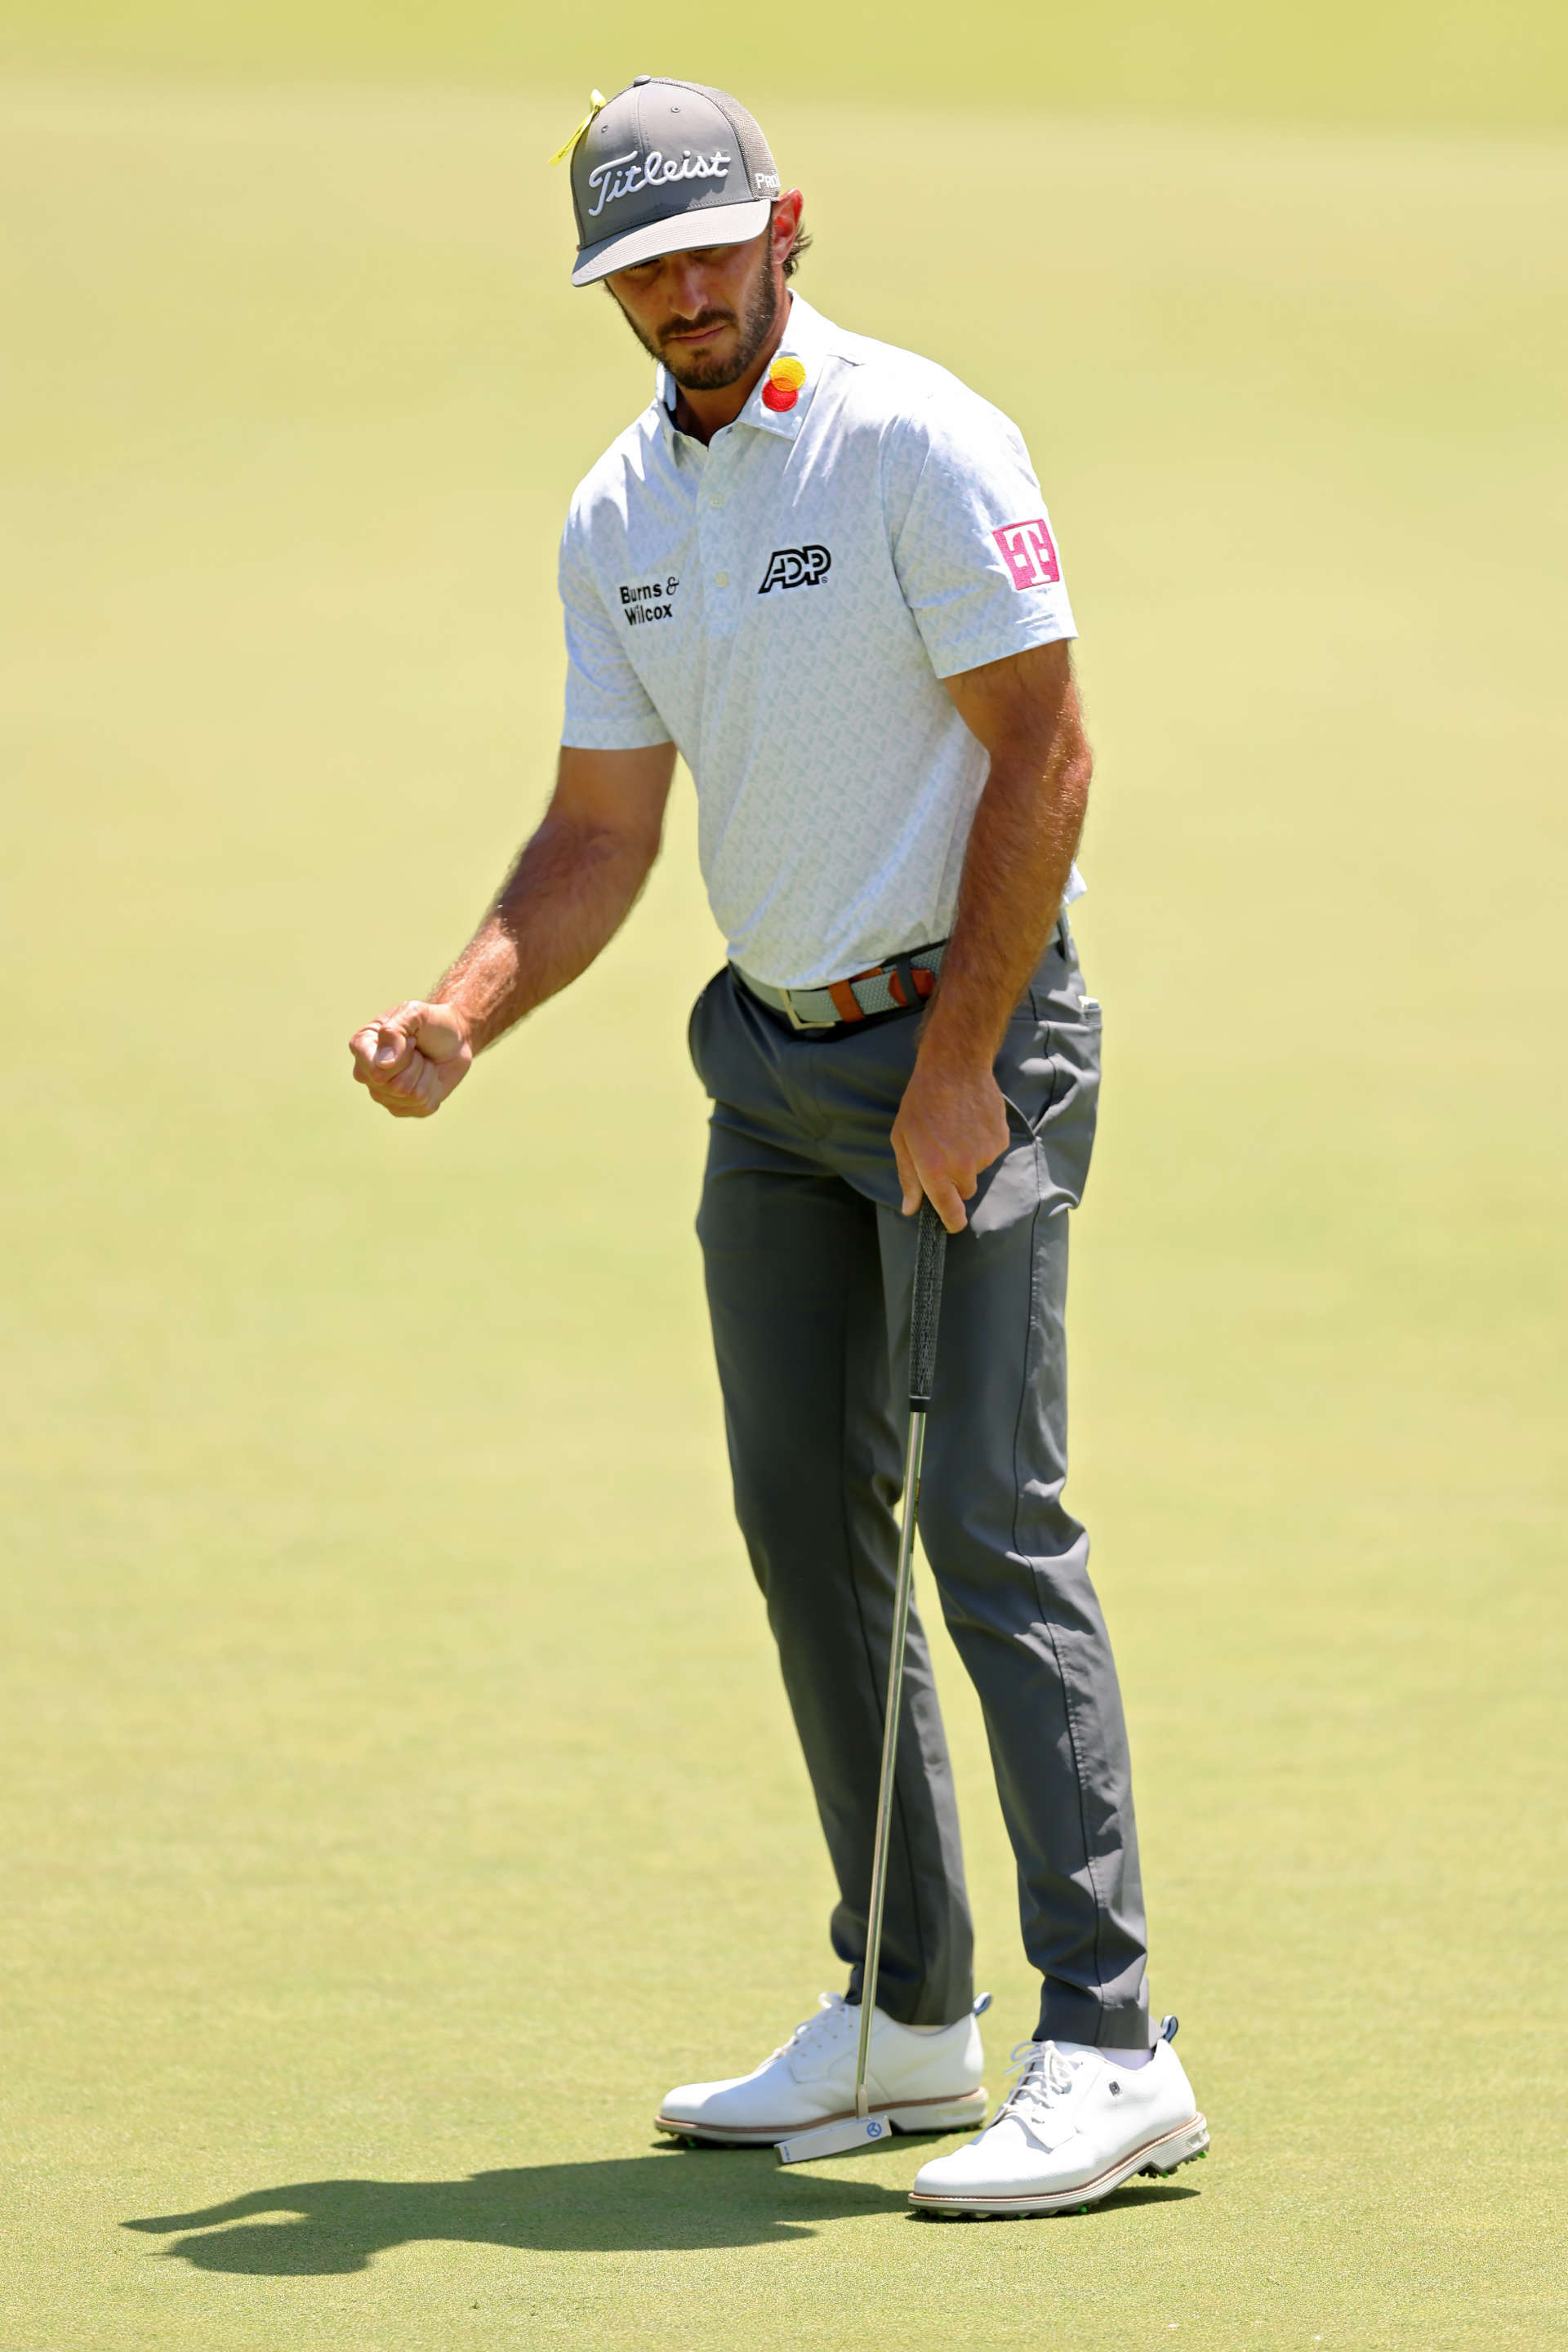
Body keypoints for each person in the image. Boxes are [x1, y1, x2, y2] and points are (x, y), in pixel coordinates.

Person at [347, 76, 1208, 2217]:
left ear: (786, 223)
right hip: (771, 1068)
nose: (680, 293)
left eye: (706, 248)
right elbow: (599, 829)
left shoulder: (919, 437)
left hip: (971, 1048)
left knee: (990, 1516)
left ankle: (1113, 2046)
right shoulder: (618, 513)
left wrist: (961, 1062)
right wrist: (463, 1012)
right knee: (805, 1522)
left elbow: (1047, 751)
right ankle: (909, 2016)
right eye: (638, 268)